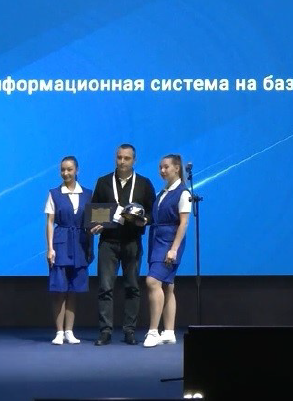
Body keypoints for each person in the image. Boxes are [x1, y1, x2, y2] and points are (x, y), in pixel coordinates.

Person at [88, 143, 156, 346]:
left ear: (134, 160)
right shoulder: (103, 182)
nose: (122, 161)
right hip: (108, 242)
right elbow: (95, 211)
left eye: (127, 158)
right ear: (115, 158)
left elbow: (153, 212)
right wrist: (95, 225)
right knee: (105, 288)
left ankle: (129, 331)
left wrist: (145, 220)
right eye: (119, 157)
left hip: (132, 241)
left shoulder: (144, 183)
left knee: (132, 287)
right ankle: (105, 331)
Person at [142, 154, 191, 348]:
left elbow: (184, 223)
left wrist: (174, 249)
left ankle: (153, 331)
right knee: (168, 286)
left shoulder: (183, 193)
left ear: (177, 168)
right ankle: (169, 332)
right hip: (156, 240)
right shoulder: (163, 192)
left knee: (152, 281)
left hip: (169, 242)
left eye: (166, 167)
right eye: (160, 167)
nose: (162, 171)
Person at [45, 155, 93, 345]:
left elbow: (91, 221)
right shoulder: (54, 194)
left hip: (80, 244)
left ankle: (69, 331)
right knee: (59, 290)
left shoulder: (88, 194)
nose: (65, 173)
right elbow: (49, 222)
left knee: (73, 290)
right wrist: (50, 248)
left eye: (69, 169)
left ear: (77, 170)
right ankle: (59, 332)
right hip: (61, 243)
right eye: (63, 170)